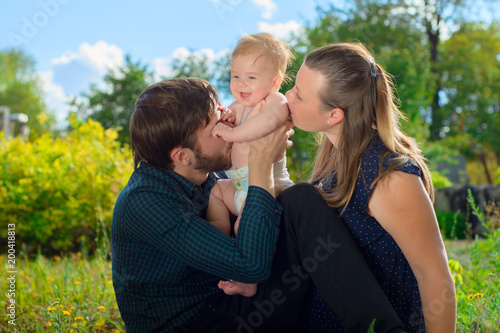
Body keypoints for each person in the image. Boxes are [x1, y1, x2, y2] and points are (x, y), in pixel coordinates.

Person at [111, 77, 408, 333]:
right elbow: (249, 265)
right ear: (182, 156)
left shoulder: (204, 175)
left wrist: (268, 149)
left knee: (299, 199)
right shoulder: (146, 202)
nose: (228, 119)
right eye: (215, 124)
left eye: (221, 109)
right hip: (196, 323)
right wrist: (261, 162)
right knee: (297, 203)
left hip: (229, 301)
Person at [283, 42, 457, 332]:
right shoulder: (332, 161)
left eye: (299, 95)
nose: (288, 95)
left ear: (334, 115)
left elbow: (434, 275)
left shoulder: (389, 177)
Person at [208, 32, 295, 297]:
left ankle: (249, 281)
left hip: (271, 185)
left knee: (243, 225)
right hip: (239, 183)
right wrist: (225, 119)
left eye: (252, 77)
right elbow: (225, 122)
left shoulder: (275, 102)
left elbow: (267, 123)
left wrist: (233, 134)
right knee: (216, 190)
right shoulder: (237, 105)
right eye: (236, 76)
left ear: (275, 82)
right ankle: (219, 242)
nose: (241, 84)